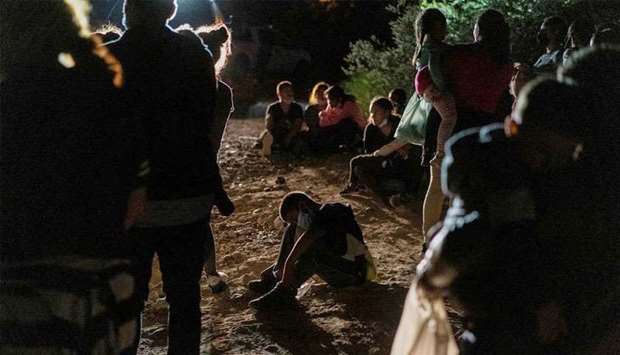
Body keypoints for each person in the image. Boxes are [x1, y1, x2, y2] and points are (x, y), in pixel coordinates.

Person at [0, 0, 147, 353]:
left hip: (19, 298)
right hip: (103, 291)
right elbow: (133, 205)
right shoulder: (112, 101)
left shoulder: (7, 105)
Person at [107, 1, 234, 354]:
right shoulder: (194, 54)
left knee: (126, 304)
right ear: (170, 11)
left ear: (128, 13)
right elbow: (205, 120)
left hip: (128, 204)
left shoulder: (106, 59)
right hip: (188, 196)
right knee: (184, 301)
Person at [421, 9, 513, 243]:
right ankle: (456, 240)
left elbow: (430, 74)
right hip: (484, 130)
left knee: (437, 187)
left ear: (478, 30)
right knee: (466, 193)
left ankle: (429, 242)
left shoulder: (459, 54)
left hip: (454, 125)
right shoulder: (505, 63)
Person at [176, 22, 235, 293]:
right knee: (199, 221)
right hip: (203, 165)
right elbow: (214, 140)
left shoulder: (178, 86)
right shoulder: (222, 92)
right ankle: (211, 274)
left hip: (172, 162)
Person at [247, 192, 376, 309]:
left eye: (294, 217)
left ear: (303, 206)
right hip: (340, 266)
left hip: (357, 274)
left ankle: (285, 292)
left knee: (312, 251)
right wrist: (279, 267)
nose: (295, 222)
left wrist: (288, 266)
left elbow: (308, 239)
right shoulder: (313, 219)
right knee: (291, 229)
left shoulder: (332, 211)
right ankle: (272, 280)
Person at [340, 97, 415, 200]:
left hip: (397, 167)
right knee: (358, 166)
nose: (373, 116)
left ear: (387, 112)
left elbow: (407, 147)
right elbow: (369, 153)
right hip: (379, 165)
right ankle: (371, 190)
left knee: (400, 179)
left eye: (376, 112)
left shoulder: (399, 124)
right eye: (371, 113)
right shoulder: (370, 129)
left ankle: (380, 191)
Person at [258, 81, 305, 157]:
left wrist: (289, 137)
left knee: (299, 140)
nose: (290, 93)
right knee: (267, 136)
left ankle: (283, 148)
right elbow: (269, 124)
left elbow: (298, 125)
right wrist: (272, 133)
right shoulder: (272, 107)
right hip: (276, 132)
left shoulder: (297, 108)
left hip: (292, 133)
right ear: (279, 94)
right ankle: (269, 146)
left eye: (291, 91)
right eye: (286, 91)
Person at [316, 85, 367, 152]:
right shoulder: (332, 105)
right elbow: (324, 121)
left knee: (345, 123)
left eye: (330, 99)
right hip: (339, 127)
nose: (328, 102)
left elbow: (335, 120)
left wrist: (324, 116)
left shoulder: (348, 105)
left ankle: (353, 144)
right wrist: (323, 116)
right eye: (328, 99)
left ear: (339, 99)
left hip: (358, 130)